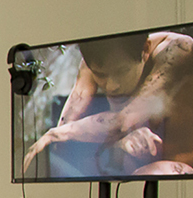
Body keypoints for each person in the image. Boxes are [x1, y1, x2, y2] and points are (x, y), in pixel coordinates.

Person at [23, 30, 193, 176]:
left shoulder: (177, 50)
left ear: (146, 50)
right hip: (130, 163)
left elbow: (126, 121)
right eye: (101, 75)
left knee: (150, 172)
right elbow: (63, 135)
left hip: (182, 168)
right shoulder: (93, 63)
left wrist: (55, 134)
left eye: (122, 72)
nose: (112, 86)